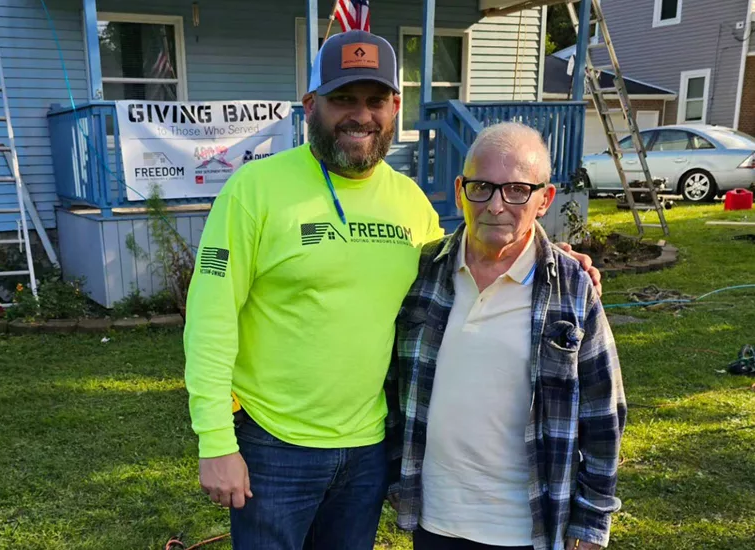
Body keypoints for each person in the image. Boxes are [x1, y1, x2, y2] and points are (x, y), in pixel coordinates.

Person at [184, 31, 601, 549]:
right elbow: (210, 318)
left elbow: (469, 258)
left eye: (375, 100)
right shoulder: (255, 190)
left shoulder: (408, 201)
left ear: (395, 107)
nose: (361, 115)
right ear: (311, 105)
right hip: (274, 444)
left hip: (370, 448)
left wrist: (550, 258)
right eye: (343, 99)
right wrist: (215, 439)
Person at [387, 122, 626, 550]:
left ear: (544, 199)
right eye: (482, 187)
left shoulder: (572, 287)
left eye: (517, 190)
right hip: (436, 520)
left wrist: (591, 524)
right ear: (461, 190)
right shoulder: (423, 271)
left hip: (527, 525)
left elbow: (604, 415)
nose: (496, 205)